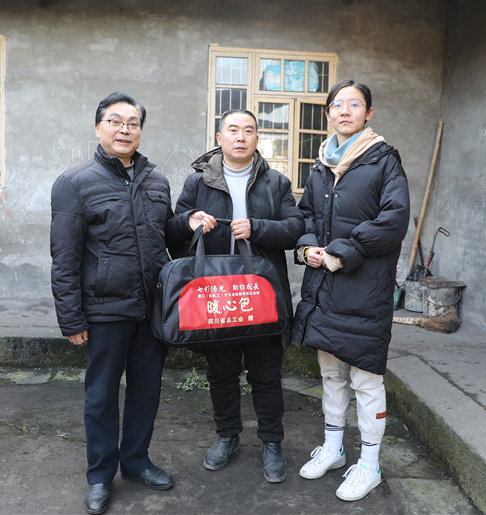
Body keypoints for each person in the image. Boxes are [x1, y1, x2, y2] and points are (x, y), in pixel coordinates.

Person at [50, 91, 175, 515]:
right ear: (98, 127)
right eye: (116, 122)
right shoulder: (75, 183)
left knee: (147, 390)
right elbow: (65, 256)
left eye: (133, 123)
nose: (125, 130)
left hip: (151, 306)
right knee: (101, 395)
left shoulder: (156, 181)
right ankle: (101, 475)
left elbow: (164, 237)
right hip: (104, 308)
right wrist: (71, 318)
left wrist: (188, 224)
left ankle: (137, 462)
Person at [167, 109, 304, 483]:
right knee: (222, 373)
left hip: (260, 295)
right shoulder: (198, 183)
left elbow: (295, 228)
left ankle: (272, 443)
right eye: (233, 130)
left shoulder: (276, 182)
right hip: (216, 297)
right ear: (219, 137)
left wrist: (257, 227)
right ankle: (227, 436)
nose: (240, 137)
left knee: (266, 374)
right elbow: (172, 230)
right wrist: (190, 221)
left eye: (248, 130)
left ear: (258, 138)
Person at [293, 79, 410, 501]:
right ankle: (334, 448)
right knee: (331, 374)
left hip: (364, 289)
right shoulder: (321, 164)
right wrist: (307, 248)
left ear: (368, 113)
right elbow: (306, 214)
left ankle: (369, 465)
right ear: (328, 113)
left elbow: (394, 219)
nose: (345, 111)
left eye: (355, 104)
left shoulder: (384, 160)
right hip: (325, 286)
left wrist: (342, 253)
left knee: (365, 378)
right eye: (337, 104)